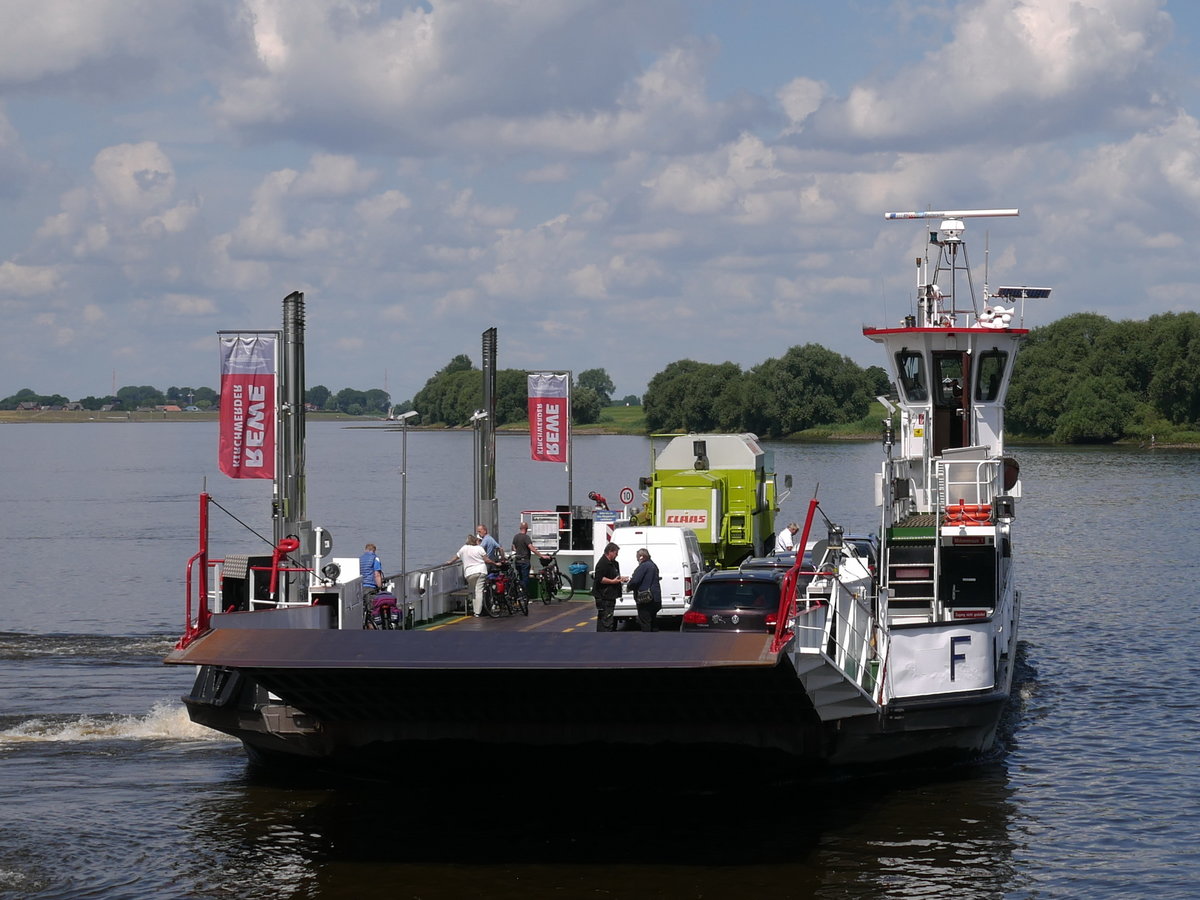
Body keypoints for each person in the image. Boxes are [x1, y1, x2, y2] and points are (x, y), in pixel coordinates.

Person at [449, 534, 491, 617]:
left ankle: (475, 610)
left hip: (470, 573)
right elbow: (486, 559)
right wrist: (495, 563)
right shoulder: (479, 548)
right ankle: (478, 612)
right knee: (479, 591)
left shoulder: (464, 548)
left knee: (473, 591)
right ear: (475, 541)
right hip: (481, 571)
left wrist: (449, 562)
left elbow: (456, 557)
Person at [591, 542, 628, 632]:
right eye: (616, 553)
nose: (617, 555)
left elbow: (614, 575)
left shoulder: (614, 563)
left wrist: (621, 579)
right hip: (604, 596)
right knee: (606, 619)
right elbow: (600, 578)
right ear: (610, 552)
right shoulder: (602, 563)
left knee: (606, 617)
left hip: (611, 595)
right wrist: (612, 581)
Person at [627, 547, 662, 632]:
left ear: (641, 557)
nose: (637, 559)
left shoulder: (643, 566)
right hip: (655, 599)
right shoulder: (653, 565)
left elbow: (635, 581)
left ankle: (646, 641)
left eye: (637, 557)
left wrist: (629, 587)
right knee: (653, 621)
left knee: (645, 622)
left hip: (645, 599)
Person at [511, 521, 548, 595]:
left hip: (517, 561)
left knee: (520, 578)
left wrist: (520, 550)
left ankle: (519, 594)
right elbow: (532, 549)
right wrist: (541, 556)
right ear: (526, 529)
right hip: (525, 561)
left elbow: (513, 548)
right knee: (525, 579)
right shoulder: (526, 537)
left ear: (520, 528)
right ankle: (524, 596)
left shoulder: (516, 536)